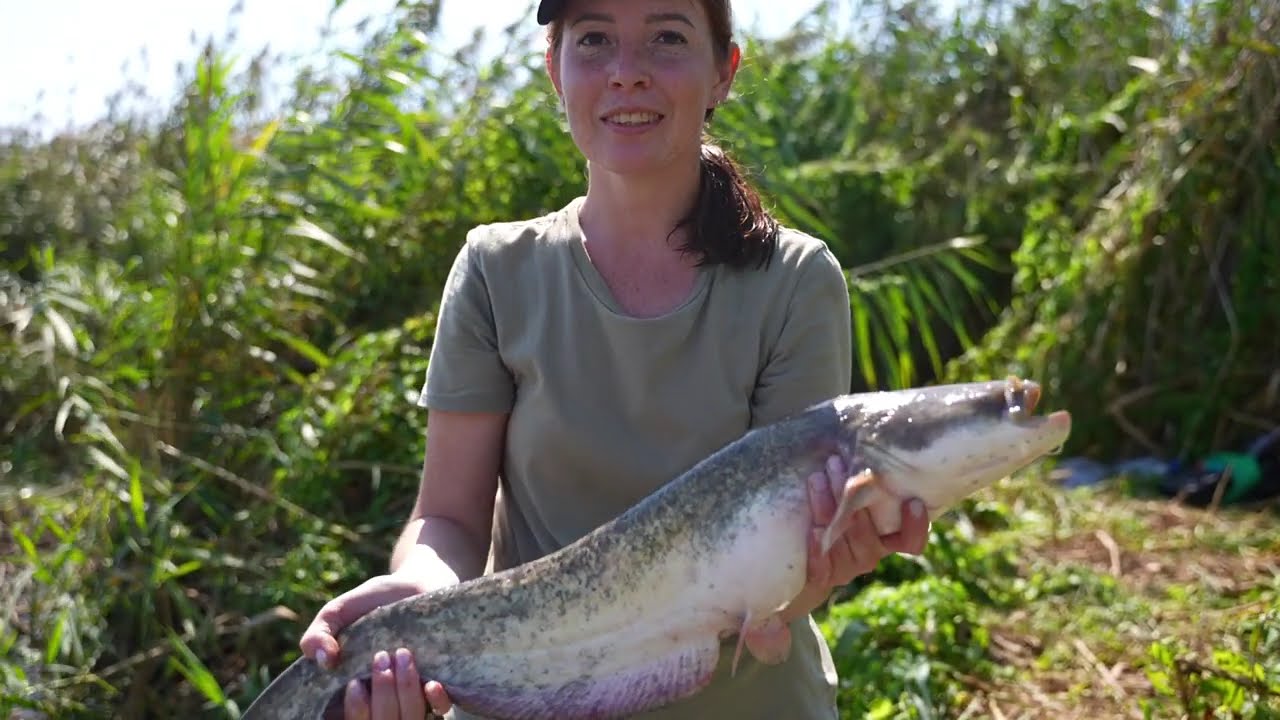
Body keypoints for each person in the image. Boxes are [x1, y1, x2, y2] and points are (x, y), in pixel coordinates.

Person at [298, 0, 932, 717]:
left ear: (724, 72)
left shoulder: (796, 280)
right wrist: (418, 594)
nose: (626, 73)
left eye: (667, 37)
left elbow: (794, 553)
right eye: (594, 39)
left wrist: (825, 569)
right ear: (554, 70)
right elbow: (448, 517)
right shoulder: (494, 270)